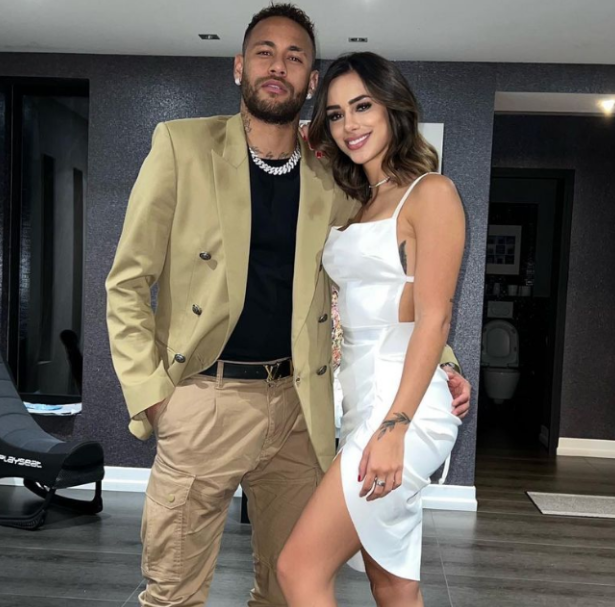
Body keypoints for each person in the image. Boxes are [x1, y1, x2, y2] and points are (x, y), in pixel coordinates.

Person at [105, 6, 470, 606]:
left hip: (300, 409)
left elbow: (390, 280)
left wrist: (444, 362)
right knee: (172, 593)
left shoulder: (333, 176)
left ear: (310, 79)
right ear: (239, 67)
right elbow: (126, 282)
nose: (278, 66)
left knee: (288, 586)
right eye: (264, 52)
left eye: (294, 56)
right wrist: (153, 395)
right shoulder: (182, 145)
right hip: (204, 401)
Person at [277, 52, 466, 607]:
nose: (349, 125)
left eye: (362, 107)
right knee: (392, 583)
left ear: (392, 108)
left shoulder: (431, 192)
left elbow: (433, 317)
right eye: (335, 114)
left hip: (402, 409)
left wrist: (395, 427)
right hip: (362, 402)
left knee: (298, 569)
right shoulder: (358, 201)